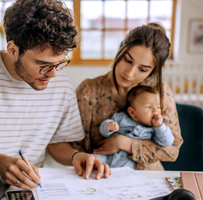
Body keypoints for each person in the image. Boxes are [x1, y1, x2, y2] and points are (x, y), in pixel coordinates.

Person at [0, 0, 110, 190]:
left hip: (29, 190)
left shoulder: (62, 85)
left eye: (59, 63)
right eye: (43, 65)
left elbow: (57, 144)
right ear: (13, 50)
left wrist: (76, 156)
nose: (53, 74)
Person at [72, 22, 184, 170]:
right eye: (128, 60)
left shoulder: (160, 92)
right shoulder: (88, 91)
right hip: (100, 176)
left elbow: (172, 151)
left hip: (149, 180)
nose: (129, 73)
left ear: (152, 71)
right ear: (120, 50)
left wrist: (123, 143)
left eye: (143, 69)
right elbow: (72, 147)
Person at [95, 85, 174, 169]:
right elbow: (104, 132)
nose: (156, 110)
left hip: (129, 160)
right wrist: (108, 126)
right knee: (95, 159)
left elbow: (167, 142)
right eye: (149, 107)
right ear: (132, 112)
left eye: (158, 107)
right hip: (109, 155)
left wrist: (159, 126)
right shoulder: (121, 118)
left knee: (126, 170)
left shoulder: (154, 130)